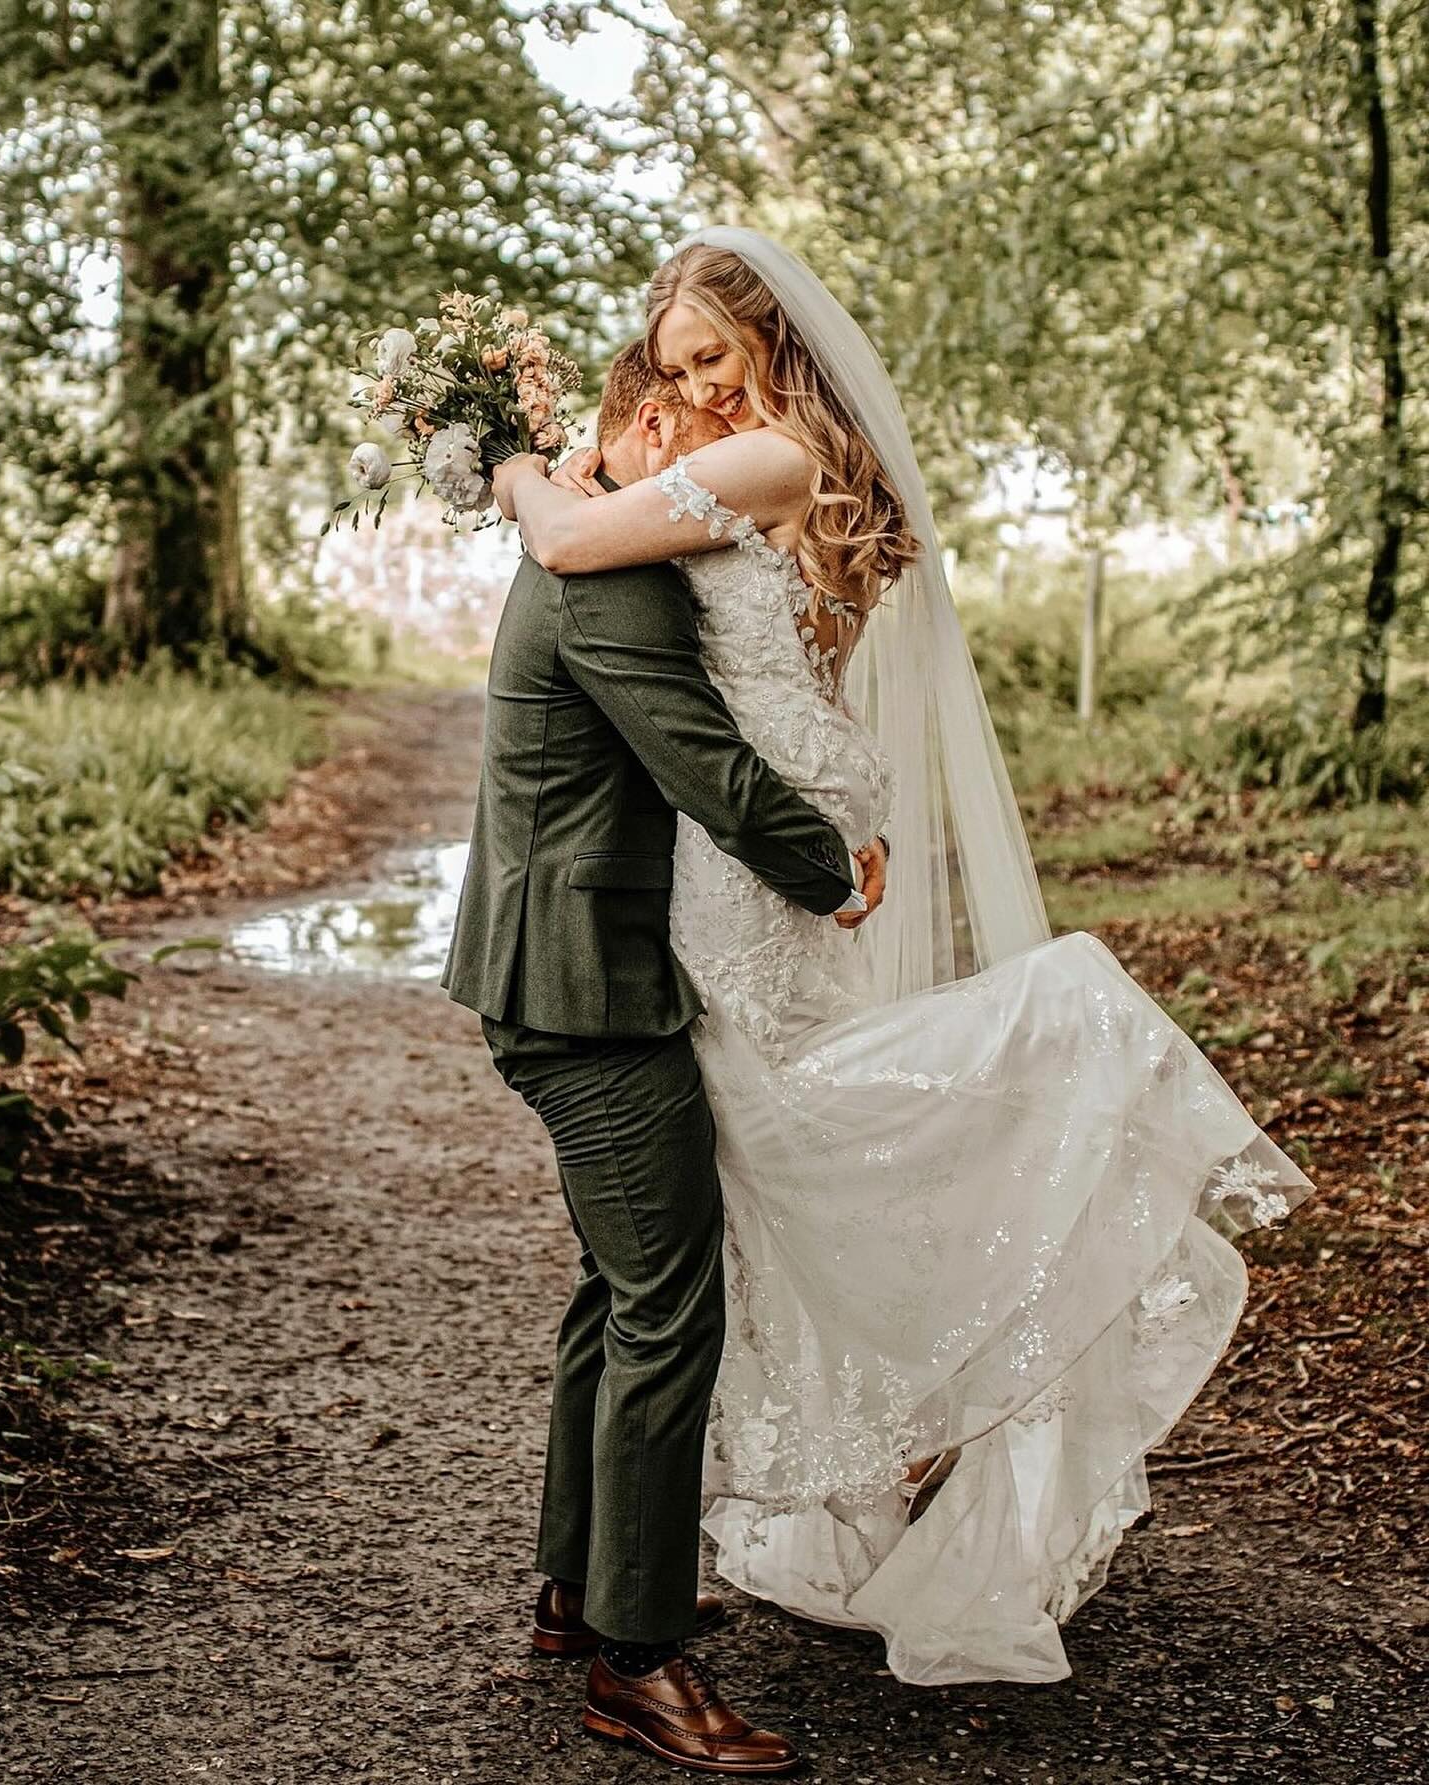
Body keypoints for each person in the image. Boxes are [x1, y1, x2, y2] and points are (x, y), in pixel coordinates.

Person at [491, 227, 1315, 1697]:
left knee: (785, 1148)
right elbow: (641, 510)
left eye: (715, 361)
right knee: (755, 1171)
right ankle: (628, 1564)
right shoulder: (769, 463)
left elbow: (564, 536)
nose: (692, 391)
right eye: (673, 366)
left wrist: (491, 448)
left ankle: (751, 1497)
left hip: (747, 869)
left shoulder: (769, 461)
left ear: (774, 350)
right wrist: (602, 434)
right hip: (761, 862)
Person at [441, 336, 888, 1776]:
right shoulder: (608, 579)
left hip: (558, 969)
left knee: (616, 1280)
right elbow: (708, 765)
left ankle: (583, 1589)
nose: (687, 450)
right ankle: (640, 1666)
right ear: (626, 424)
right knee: (669, 1300)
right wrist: (835, 870)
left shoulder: (591, 551)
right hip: (584, 989)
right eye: (669, 423)